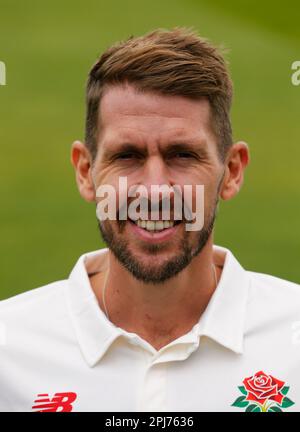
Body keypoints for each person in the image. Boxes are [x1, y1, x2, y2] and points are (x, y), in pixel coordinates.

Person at [1, 28, 300, 413]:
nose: (155, 190)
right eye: (127, 156)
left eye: (182, 155)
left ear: (232, 170)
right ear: (85, 171)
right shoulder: (10, 350)